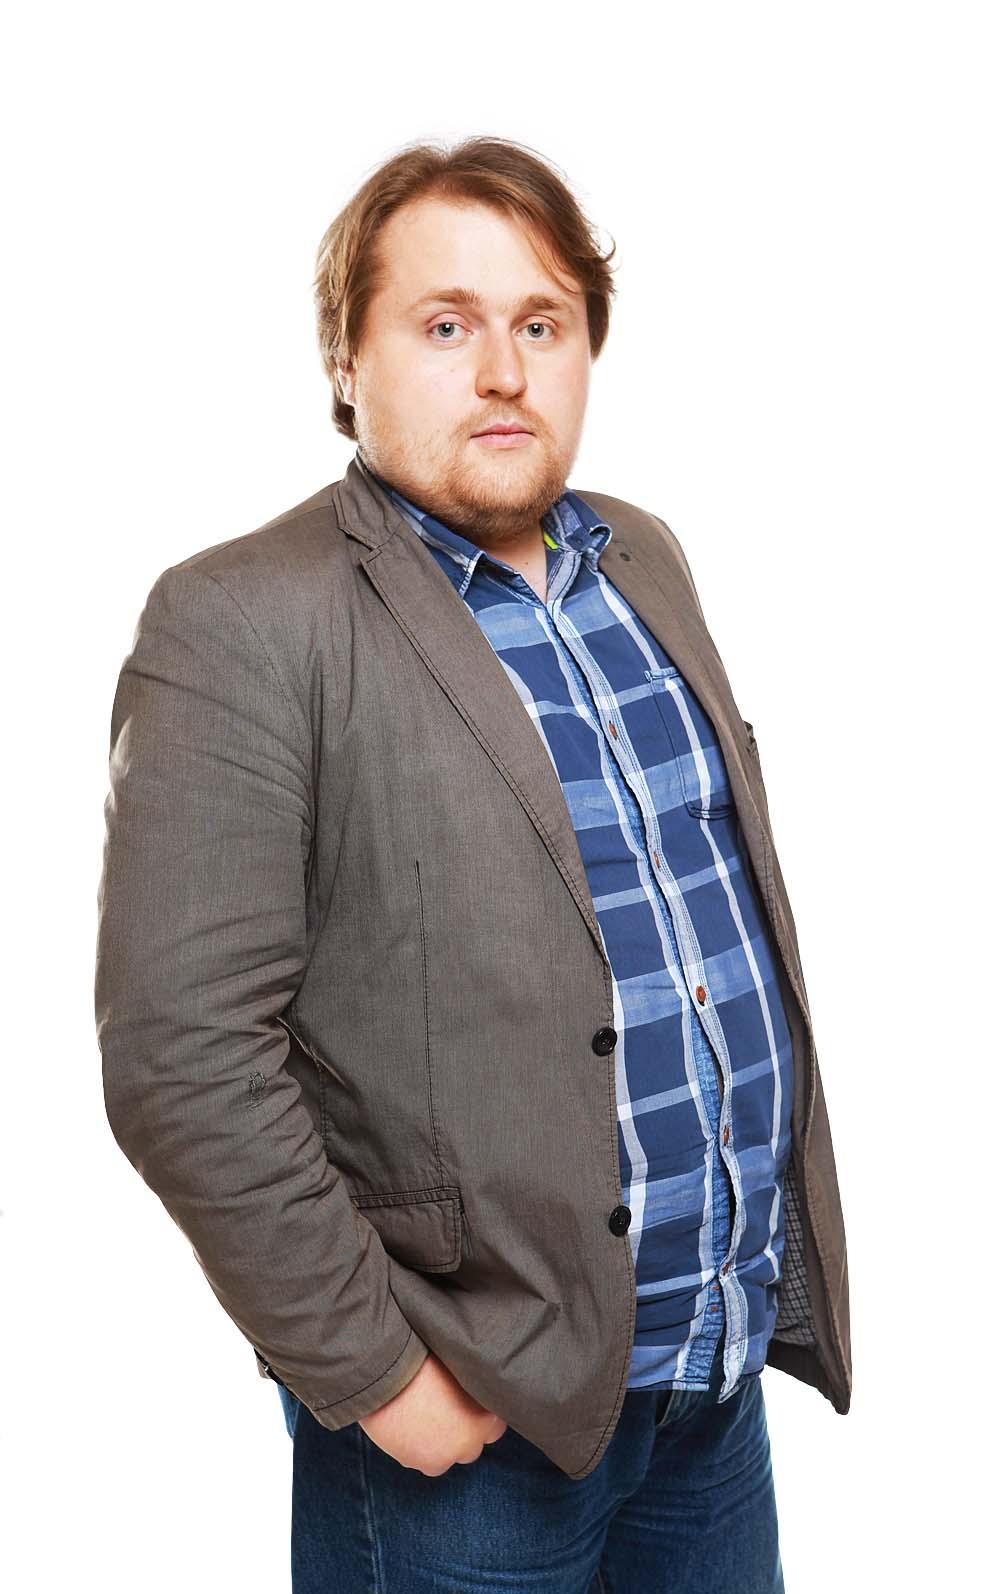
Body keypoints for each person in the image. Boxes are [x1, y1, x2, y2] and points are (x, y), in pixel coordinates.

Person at [95, 135, 851, 1594]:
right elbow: (180, 1054)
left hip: (708, 1394)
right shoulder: (242, 621)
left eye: (541, 324)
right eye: (446, 326)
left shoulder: (644, 559)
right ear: (347, 360)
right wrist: (380, 1377)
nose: (504, 371)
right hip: (471, 1437)